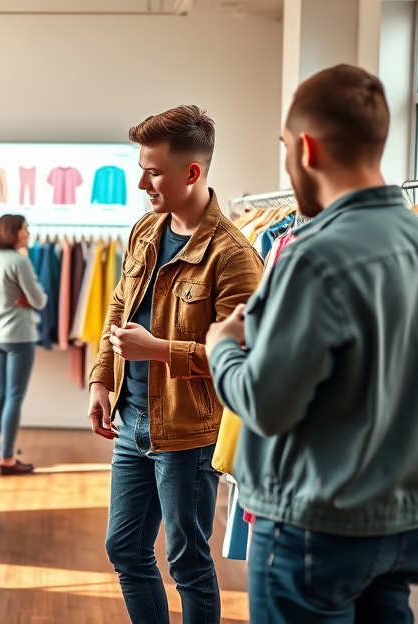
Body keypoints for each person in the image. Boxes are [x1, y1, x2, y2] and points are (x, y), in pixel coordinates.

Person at [205, 65, 418, 624]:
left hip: (314, 524)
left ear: (305, 147)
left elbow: (266, 405)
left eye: (284, 147)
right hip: (404, 526)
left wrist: (221, 346)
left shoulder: (312, 256)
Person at [87, 105, 264, 624]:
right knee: (125, 549)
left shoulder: (233, 256)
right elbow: (119, 307)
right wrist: (101, 378)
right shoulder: (145, 229)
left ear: (192, 172)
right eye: (142, 169)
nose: (142, 183)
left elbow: (243, 360)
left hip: (189, 434)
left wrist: (160, 350)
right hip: (131, 421)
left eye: (154, 172)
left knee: (188, 561)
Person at [0, 215, 46, 476]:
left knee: (0, 394)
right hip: (19, 335)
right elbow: (39, 300)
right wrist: (30, 298)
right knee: (14, 396)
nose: (28, 233)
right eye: (24, 229)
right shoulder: (19, 260)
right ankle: (7, 459)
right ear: (12, 232)